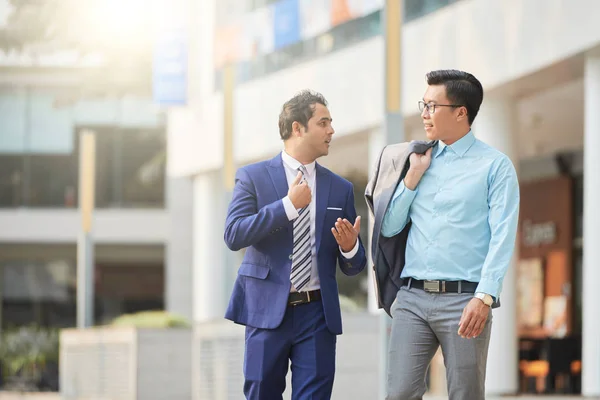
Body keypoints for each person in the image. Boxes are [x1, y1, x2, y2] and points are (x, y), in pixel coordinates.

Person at [371, 69, 520, 400]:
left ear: (460, 112)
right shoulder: (416, 159)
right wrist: (412, 179)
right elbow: (391, 227)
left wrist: (484, 297)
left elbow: (503, 236)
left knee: (465, 394)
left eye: (432, 106)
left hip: (465, 300)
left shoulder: (495, 167)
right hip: (412, 299)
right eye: (422, 104)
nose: (424, 113)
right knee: (399, 393)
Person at [224, 89, 367, 400]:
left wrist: (350, 247)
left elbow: (355, 266)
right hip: (265, 310)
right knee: (262, 394)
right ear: (297, 128)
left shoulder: (340, 189)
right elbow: (234, 235)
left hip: (317, 314)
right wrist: (288, 206)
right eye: (324, 122)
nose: (332, 130)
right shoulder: (252, 177)